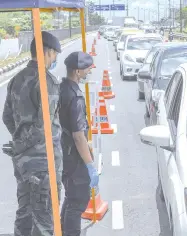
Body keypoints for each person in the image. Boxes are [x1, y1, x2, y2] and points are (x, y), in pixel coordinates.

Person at [2, 31, 62, 236]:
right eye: (54, 54)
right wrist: (26, 144)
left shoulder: (16, 79)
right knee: (44, 218)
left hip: (22, 163)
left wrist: (19, 141)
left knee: (25, 214)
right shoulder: (47, 82)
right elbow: (44, 124)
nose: (54, 59)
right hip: (43, 163)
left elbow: (7, 117)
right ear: (47, 52)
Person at [59, 52, 99, 236]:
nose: (88, 73)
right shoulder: (75, 96)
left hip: (65, 152)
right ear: (77, 71)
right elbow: (78, 136)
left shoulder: (62, 88)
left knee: (71, 198)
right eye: (87, 70)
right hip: (74, 157)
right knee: (78, 202)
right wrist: (90, 164)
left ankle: (60, 231)